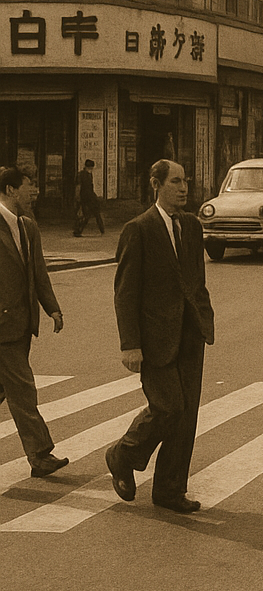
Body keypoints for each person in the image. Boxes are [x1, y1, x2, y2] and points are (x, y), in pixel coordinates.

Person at [105, 159, 216, 514]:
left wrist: (203, 316)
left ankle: (169, 489)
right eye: (176, 182)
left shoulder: (192, 226)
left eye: (186, 181)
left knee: (186, 418)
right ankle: (122, 453)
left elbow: (196, 278)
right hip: (154, 339)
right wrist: (130, 344)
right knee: (168, 407)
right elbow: (125, 291)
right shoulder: (138, 229)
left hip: (189, 335)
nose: (184, 188)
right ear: (156, 184)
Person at [0, 168, 68, 479]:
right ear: (11, 189)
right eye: (30, 186)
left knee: (6, 389)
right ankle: (40, 455)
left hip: (22, 323)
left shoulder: (27, 227)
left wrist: (52, 309)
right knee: (23, 389)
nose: (35, 191)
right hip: (3, 327)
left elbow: (38, 272)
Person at [72, 159, 104, 237]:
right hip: (86, 198)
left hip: (89, 197)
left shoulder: (86, 174)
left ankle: (78, 230)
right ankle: (78, 230)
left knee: (88, 214)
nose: (91, 170)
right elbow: (78, 187)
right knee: (88, 214)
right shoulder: (82, 175)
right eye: (90, 168)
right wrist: (78, 197)